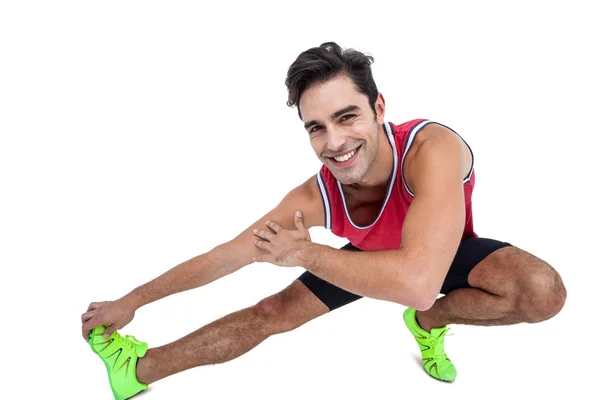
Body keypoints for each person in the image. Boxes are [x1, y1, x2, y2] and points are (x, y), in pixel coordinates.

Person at [81, 42, 567, 399]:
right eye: (317, 127)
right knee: (271, 313)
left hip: (437, 254)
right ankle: (135, 369)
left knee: (542, 292)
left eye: (347, 116)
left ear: (379, 108)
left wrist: (302, 252)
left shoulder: (430, 149)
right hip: (371, 259)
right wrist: (133, 300)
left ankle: (428, 326)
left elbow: (418, 283)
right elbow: (224, 257)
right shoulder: (314, 197)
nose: (334, 142)